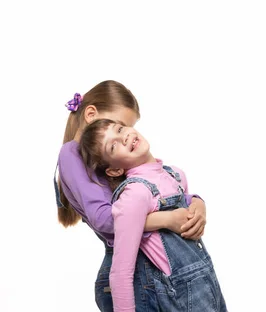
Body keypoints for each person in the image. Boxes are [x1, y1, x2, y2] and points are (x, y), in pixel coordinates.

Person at [54, 80, 208, 311]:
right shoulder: (71, 153)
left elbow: (153, 195)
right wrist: (166, 220)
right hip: (135, 271)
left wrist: (195, 202)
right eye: (118, 124)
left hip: (153, 264)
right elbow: (105, 218)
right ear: (91, 114)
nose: (126, 135)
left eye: (124, 128)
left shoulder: (117, 160)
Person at [79, 118, 227, 312]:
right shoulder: (135, 194)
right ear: (115, 170)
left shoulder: (175, 174)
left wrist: (198, 203)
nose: (124, 138)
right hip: (180, 297)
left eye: (120, 129)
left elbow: (185, 204)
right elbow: (121, 272)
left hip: (209, 286)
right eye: (113, 146)